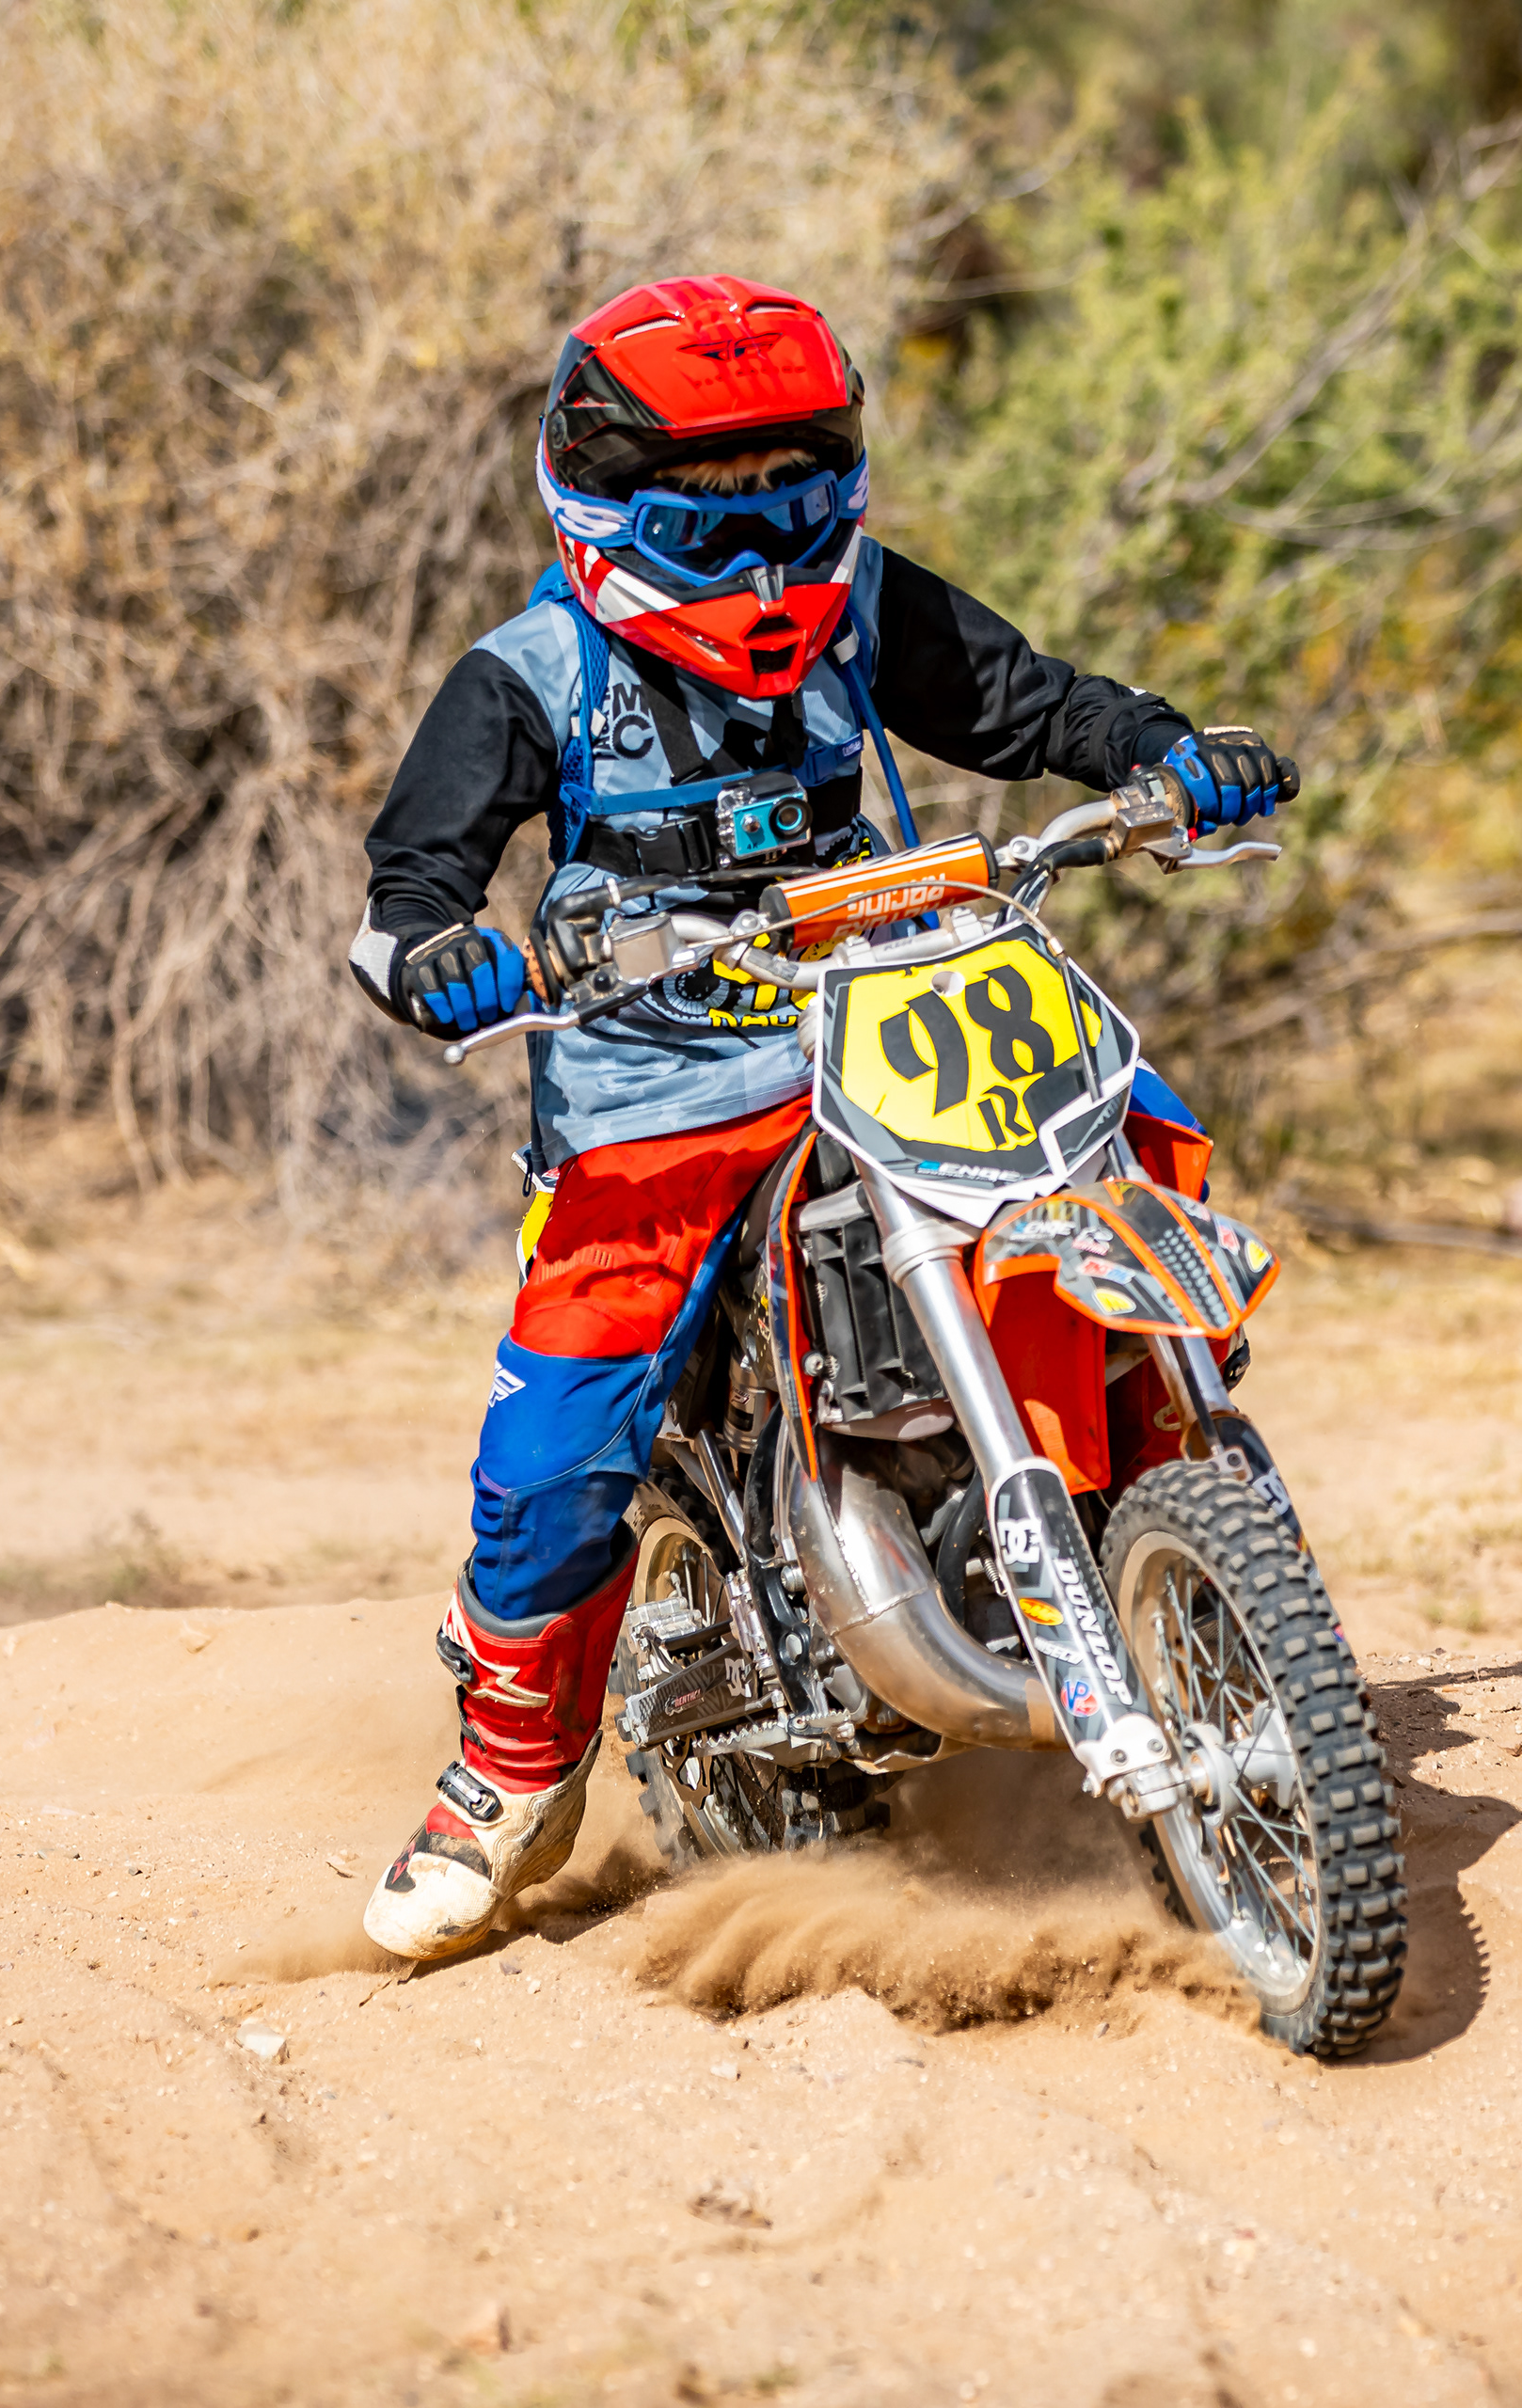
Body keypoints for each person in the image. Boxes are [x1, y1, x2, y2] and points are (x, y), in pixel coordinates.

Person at [344, 275, 1295, 1961]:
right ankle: (506, 1775)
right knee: (557, 1445)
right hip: (656, 1086)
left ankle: (1176, 1522)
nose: (764, 560)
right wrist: (441, 953)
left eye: (794, 506)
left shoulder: (864, 606)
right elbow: (412, 883)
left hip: (890, 1016)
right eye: (713, 526)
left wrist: (1164, 753)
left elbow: (1031, 704)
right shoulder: (531, 676)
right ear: (607, 510)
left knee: (1135, 1133)